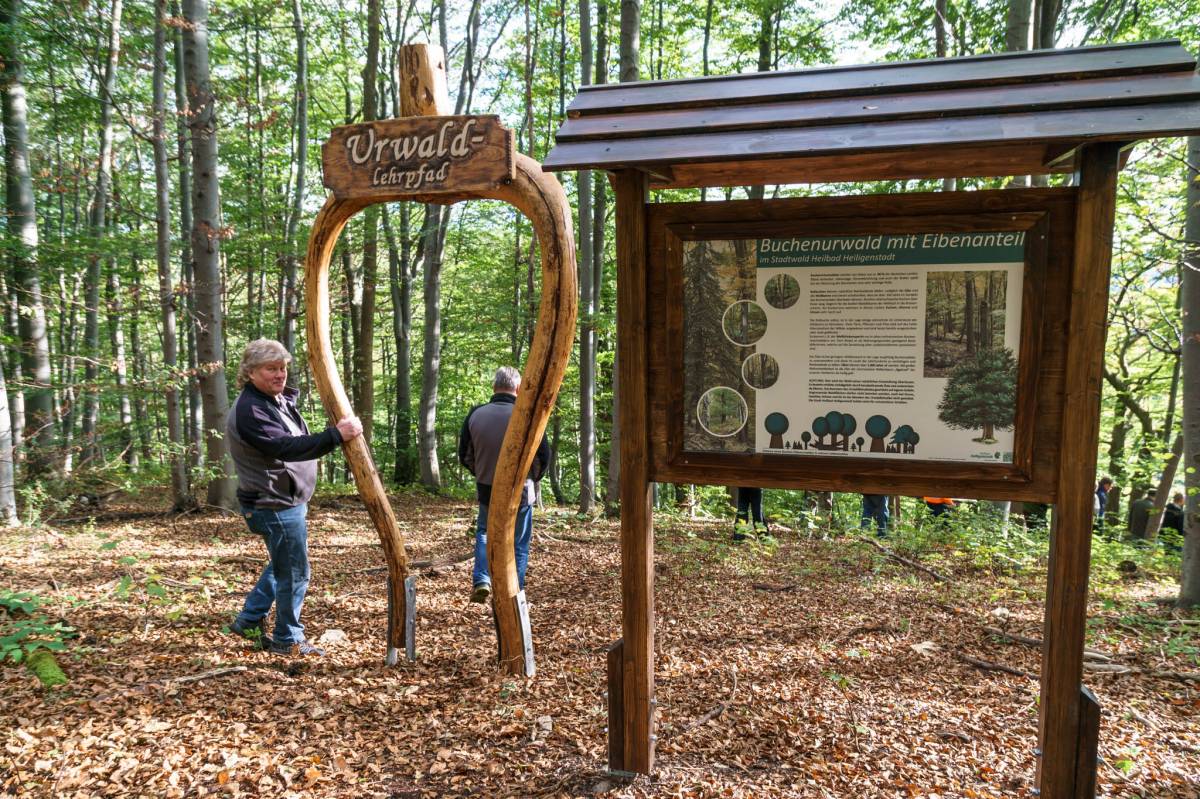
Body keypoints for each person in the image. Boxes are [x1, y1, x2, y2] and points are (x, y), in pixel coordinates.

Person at [227, 338, 362, 657]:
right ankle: (287, 639)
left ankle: (249, 620)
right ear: (250, 372)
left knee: (283, 563)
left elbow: (294, 439)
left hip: (284, 501)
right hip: (272, 503)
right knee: (295, 572)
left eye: (283, 368)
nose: (280, 374)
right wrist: (336, 435)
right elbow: (285, 447)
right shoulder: (252, 409)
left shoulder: (274, 400)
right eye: (271, 369)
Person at [458, 366, 549, 604]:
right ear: (518, 388)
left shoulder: (476, 414)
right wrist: (530, 477)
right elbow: (543, 457)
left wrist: (482, 472)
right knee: (519, 544)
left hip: (486, 488)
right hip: (522, 491)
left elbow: (465, 455)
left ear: (494, 387)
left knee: (485, 533)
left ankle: (482, 579)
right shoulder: (527, 414)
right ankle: (514, 593)